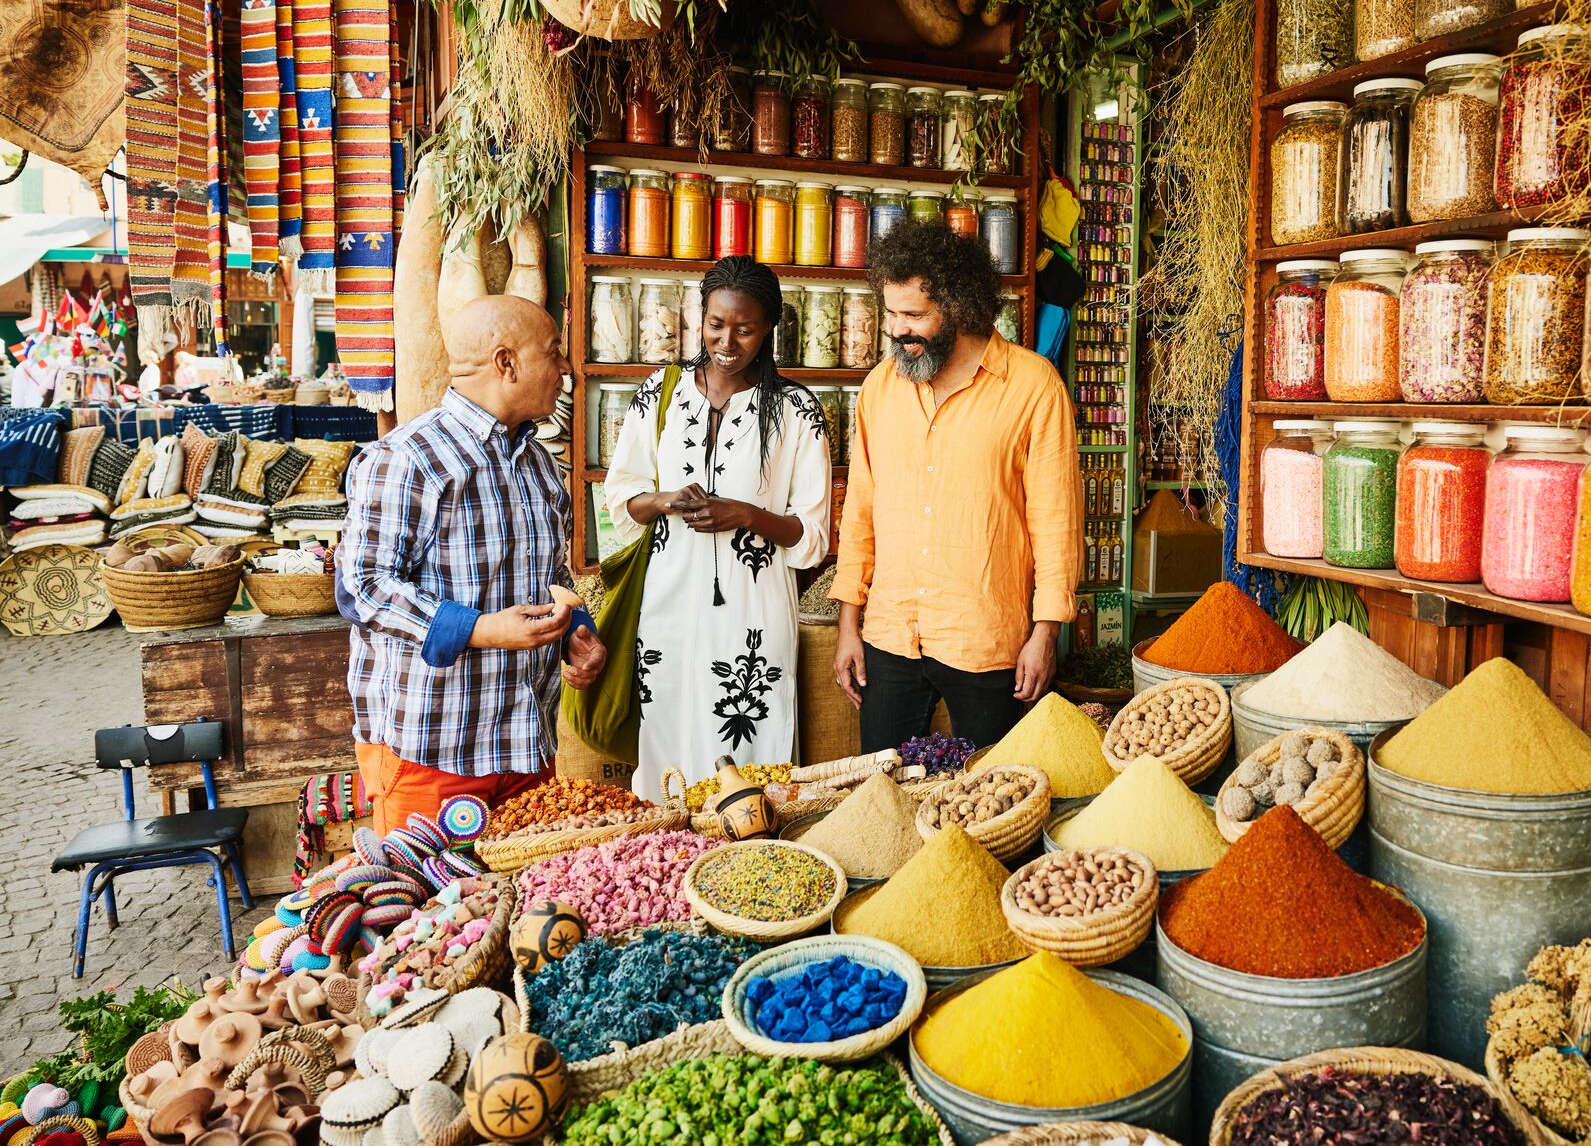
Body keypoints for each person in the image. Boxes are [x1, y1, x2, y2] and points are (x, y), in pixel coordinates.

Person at [338, 296, 606, 834]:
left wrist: (576, 631)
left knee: (520, 909)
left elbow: (549, 578)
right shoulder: (408, 457)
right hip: (433, 751)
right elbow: (363, 588)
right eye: (554, 353)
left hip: (525, 746)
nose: (564, 369)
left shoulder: (538, 464)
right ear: (506, 363)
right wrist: (481, 630)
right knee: (427, 913)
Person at [831, 221, 1081, 750]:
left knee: (992, 803)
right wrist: (849, 624)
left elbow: (1056, 523)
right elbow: (861, 513)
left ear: (960, 305)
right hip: (891, 636)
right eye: (891, 313)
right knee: (884, 799)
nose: (897, 329)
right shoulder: (880, 387)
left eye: (914, 315)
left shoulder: (1034, 387)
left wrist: (1046, 633)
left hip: (988, 641)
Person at [602, 256, 832, 791]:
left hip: (754, 610)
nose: (727, 342)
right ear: (699, 318)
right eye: (715, 325)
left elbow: (813, 536)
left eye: (745, 329)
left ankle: (747, 854)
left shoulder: (798, 410)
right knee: (668, 744)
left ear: (770, 327)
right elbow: (622, 501)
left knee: (753, 754)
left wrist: (745, 514)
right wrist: (661, 499)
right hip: (668, 608)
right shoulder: (661, 392)